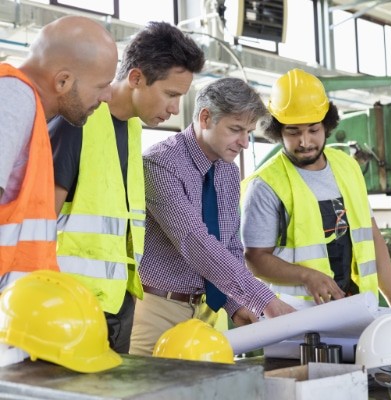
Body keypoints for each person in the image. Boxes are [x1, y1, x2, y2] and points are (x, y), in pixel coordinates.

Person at [49, 21, 205, 353]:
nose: (176, 109)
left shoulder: (133, 129)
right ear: (136, 78)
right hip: (68, 310)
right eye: (171, 94)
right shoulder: (76, 122)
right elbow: (38, 223)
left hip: (118, 308)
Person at [130, 77, 295, 357]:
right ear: (205, 118)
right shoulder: (159, 164)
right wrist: (262, 299)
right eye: (236, 129)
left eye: (249, 132)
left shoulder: (228, 171)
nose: (244, 142)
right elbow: (196, 243)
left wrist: (235, 304)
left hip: (207, 313)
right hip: (157, 312)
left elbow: (228, 245)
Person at [241, 68, 391, 308]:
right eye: (293, 132)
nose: (305, 142)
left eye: (313, 130)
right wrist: (307, 276)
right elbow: (255, 259)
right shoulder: (266, 185)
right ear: (277, 131)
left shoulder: (347, 166)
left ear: (326, 126)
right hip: (296, 317)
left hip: (357, 306)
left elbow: (372, 235)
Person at [0, 16, 118, 292]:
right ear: (63, 81)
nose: (108, 96)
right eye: (102, 85)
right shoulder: (13, 98)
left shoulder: (26, 107)